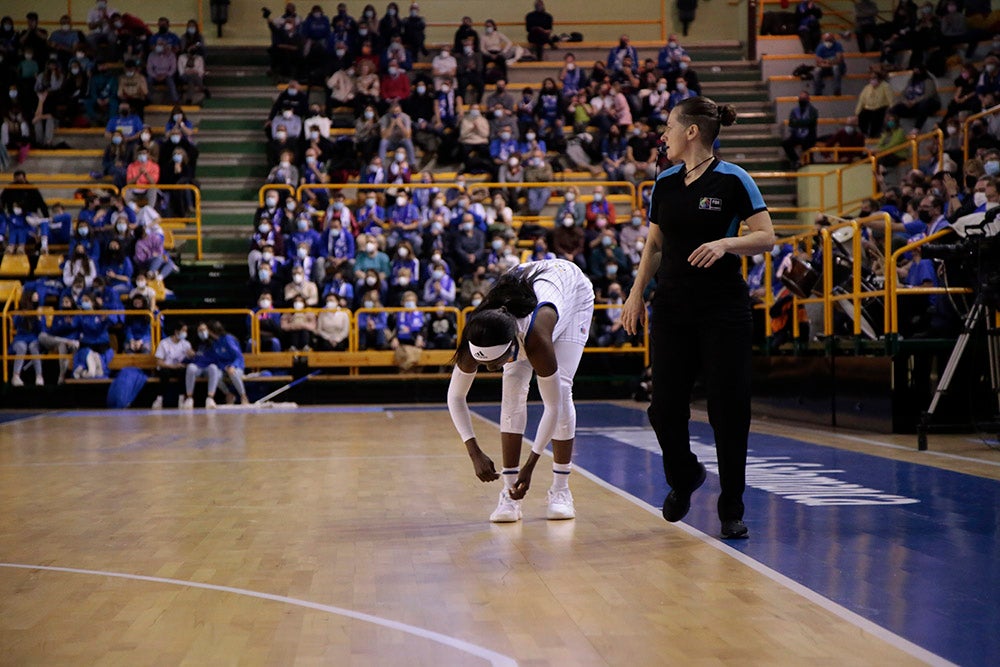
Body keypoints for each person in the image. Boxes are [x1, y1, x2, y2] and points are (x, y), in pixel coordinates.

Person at [620, 96, 776, 540]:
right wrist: (636, 294)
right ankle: (685, 475)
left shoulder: (734, 179)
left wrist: (727, 244)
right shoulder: (665, 182)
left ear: (691, 132)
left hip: (723, 309)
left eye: (669, 127)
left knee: (729, 411)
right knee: (663, 409)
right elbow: (654, 245)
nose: (663, 135)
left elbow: (766, 236)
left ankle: (732, 508)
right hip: (671, 308)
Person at [447, 258, 596, 523]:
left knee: (561, 390)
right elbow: (455, 397)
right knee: (512, 390)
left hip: (572, 293)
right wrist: (474, 452)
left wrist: (531, 464)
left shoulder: (536, 336)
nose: (490, 369)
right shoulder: (478, 333)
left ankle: (561, 490)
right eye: (485, 364)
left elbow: (553, 407)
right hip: (530, 286)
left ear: (512, 344)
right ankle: (509, 493)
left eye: (496, 362)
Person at [152, 320, 193, 408]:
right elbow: (159, 362)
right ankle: (159, 399)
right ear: (176, 331)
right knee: (164, 372)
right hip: (167, 367)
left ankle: (182, 399)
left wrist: (192, 355)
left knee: (183, 371)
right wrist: (173, 366)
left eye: (186, 331)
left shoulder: (186, 344)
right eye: (183, 330)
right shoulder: (164, 343)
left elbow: (191, 359)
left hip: (179, 368)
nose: (185, 333)